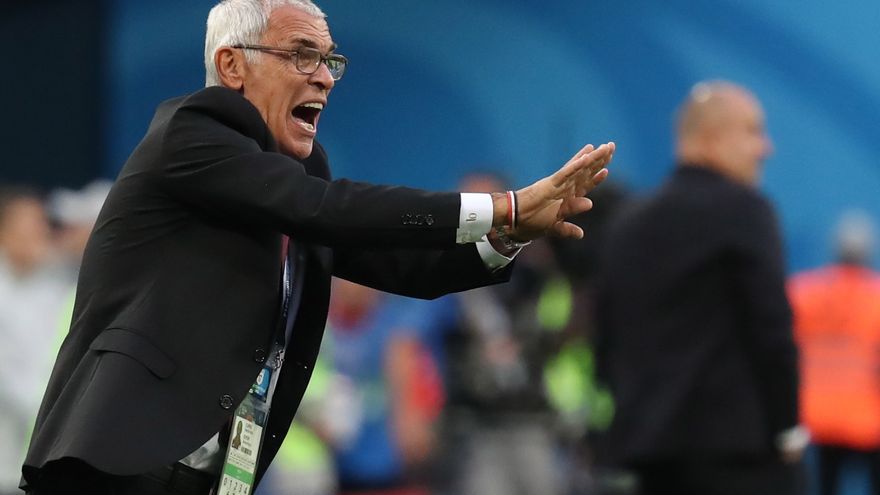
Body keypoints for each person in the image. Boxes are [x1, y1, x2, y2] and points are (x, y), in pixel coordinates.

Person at [20, 1, 615, 494]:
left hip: (209, 474)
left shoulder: (296, 175)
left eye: (329, 59)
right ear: (232, 65)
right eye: (302, 55)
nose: (325, 76)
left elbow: (405, 267)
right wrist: (504, 205)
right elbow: (328, 208)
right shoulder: (192, 131)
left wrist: (511, 235)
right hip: (120, 460)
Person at [594, 81, 805, 495]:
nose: (766, 148)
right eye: (753, 131)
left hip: (649, 458)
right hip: (739, 457)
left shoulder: (627, 225)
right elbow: (771, 330)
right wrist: (787, 427)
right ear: (711, 138)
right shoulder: (745, 209)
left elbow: (607, 339)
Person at [788, 210, 880, 495]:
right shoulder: (875, 298)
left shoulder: (804, 292)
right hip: (868, 418)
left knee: (826, 485)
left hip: (818, 416)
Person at [0, 187, 67, 495]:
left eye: (41, 223)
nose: (39, 232)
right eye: (28, 225)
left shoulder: (55, 289)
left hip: (33, 462)